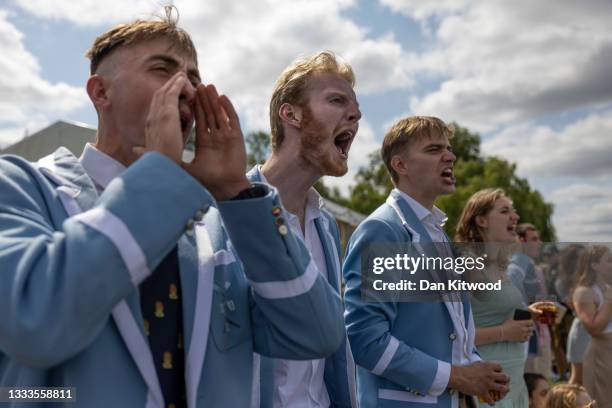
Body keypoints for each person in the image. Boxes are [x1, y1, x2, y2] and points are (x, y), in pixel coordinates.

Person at [0, 11, 345, 408]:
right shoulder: (21, 186)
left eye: (194, 79)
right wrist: (159, 176)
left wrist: (237, 192)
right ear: (100, 92)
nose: (186, 89)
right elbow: (35, 321)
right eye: (162, 69)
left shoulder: (218, 225)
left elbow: (314, 334)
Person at [343, 116, 509, 407]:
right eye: (434, 149)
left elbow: (451, 328)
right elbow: (365, 341)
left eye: (448, 148)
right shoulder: (382, 230)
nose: (451, 156)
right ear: (400, 165)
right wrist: (457, 377)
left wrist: (476, 368)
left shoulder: (438, 234)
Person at [247, 51, 361, 408]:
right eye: (337, 100)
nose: (355, 115)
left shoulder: (325, 225)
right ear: (290, 113)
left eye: (355, 107)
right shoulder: (227, 212)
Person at [455, 188, 551, 407]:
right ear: (481, 220)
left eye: (514, 211)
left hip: (513, 384)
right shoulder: (468, 263)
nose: (515, 217)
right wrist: (503, 332)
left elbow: (491, 312)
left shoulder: (499, 265)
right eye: (505, 211)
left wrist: (527, 312)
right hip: (488, 392)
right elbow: (448, 335)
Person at [572, 245, 612, 407]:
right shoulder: (584, 292)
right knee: (602, 400)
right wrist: (609, 301)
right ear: (594, 265)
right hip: (602, 354)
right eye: (609, 260)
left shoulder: (608, 288)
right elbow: (594, 328)